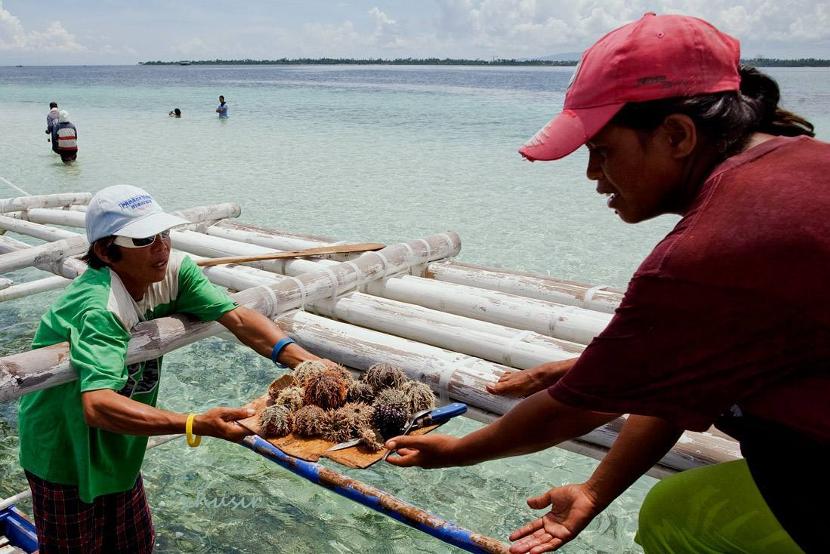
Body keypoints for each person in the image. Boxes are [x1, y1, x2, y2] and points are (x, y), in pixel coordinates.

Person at [386, 13, 827, 554]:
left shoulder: (711, 252)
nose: (594, 177)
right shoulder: (805, 166)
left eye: (601, 152)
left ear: (677, 135)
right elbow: (680, 376)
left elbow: (574, 410)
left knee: (681, 523)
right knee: (675, 510)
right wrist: (596, 481)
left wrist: (455, 451)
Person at [17, 185, 329, 552]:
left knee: (137, 544)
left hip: (121, 443)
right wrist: (194, 424)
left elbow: (240, 319)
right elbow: (98, 405)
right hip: (64, 450)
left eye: (164, 233)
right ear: (105, 250)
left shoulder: (175, 273)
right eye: (144, 238)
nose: (161, 247)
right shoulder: (98, 307)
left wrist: (312, 365)